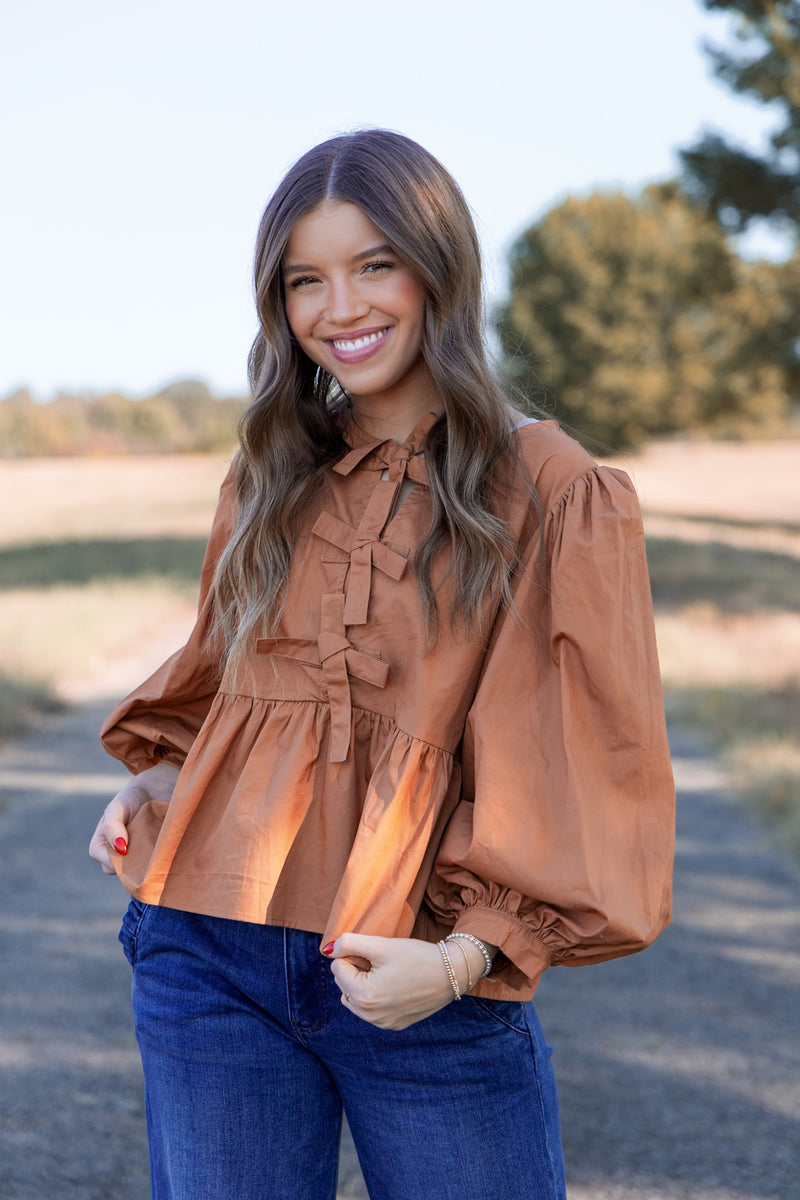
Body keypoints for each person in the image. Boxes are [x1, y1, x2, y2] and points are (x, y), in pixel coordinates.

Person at [89, 128, 675, 1200]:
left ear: (437, 266)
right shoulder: (274, 464)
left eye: (373, 265)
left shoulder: (552, 487)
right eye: (304, 279)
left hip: (419, 968)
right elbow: (227, 676)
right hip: (205, 951)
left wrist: (465, 959)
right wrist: (166, 768)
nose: (339, 308)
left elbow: (580, 758)